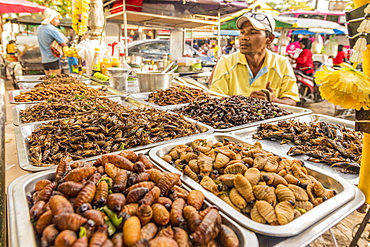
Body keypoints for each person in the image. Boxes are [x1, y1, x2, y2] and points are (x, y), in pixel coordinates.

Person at [209, 12, 299, 106]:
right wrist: (248, 103)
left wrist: (273, 100)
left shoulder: (282, 63)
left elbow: (291, 100)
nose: (244, 38)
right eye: (242, 32)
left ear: (269, 39)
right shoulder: (226, 62)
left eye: (252, 33)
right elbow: (216, 100)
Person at [37, 8, 67, 75]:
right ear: (51, 19)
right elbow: (63, 43)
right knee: (55, 82)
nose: (58, 21)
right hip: (53, 59)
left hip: (44, 60)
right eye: (57, 19)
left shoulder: (40, 28)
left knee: (47, 81)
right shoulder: (52, 29)